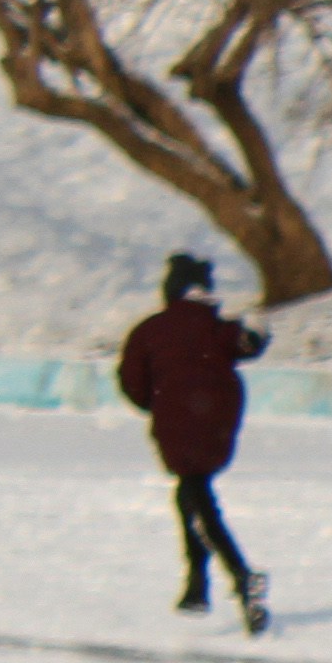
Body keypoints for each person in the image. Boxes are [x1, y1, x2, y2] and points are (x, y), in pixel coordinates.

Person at [110, 253, 270, 634]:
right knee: (192, 494)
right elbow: (246, 344)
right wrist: (257, 336)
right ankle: (197, 587)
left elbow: (131, 380)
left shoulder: (151, 330)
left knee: (197, 498)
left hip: (177, 424)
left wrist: (159, 403)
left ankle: (240, 575)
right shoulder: (216, 328)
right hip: (217, 424)